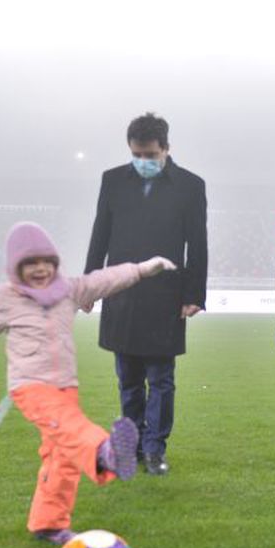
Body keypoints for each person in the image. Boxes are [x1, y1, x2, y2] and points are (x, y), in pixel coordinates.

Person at [0, 221, 177, 544]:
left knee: (61, 457)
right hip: (30, 385)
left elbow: (103, 280)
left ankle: (48, 523)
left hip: (66, 385)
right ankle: (106, 452)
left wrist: (142, 269)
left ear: (55, 262)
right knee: (70, 426)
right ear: (16, 268)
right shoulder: (8, 298)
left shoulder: (69, 290)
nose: (40, 270)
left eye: (45, 262)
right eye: (30, 264)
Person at [85, 113, 208, 476]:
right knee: (128, 378)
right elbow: (100, 235)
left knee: (161, 379)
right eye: (137, 155)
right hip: (121, 292)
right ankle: (131, 447)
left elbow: (197, 245)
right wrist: (90, 285)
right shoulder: (112, 181)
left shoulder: (190, 186)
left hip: (165, 296)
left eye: (151, 155)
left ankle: (155, 450)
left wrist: (193, 294)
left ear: (166, 149)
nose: (144, 162)